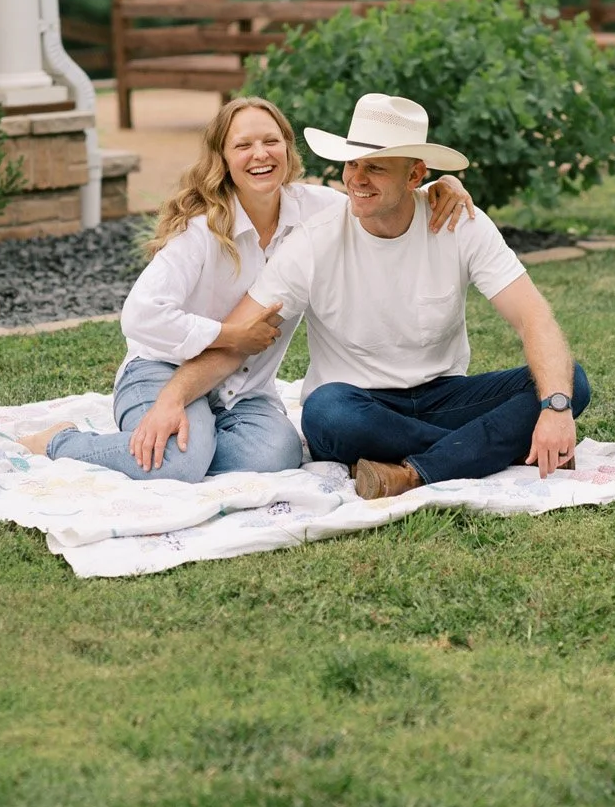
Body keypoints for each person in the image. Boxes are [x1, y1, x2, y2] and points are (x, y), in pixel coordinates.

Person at [144, 93, 590, 501]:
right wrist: (173, 395)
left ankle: (413, 473)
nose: (357, 178)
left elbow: (534, 318)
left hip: (444, 395)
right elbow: (242, 335)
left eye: (376, 167)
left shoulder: (460, 223)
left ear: (415, 174)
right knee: (326, 411)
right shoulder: (313, 240)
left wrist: (554, 408)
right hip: (358, 407)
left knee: (569, 383)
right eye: (351, 164)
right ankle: (489, 446)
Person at [21, 96, 475, 480]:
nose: (260, 154)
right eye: (243, 145)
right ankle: (62, 441)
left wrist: (442, 184)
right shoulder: (199, 231)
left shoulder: (320, 210)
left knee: (275, 458)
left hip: (246, 391)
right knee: (180, 463)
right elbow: (141, 315)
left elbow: (379, 195)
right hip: (162, 372)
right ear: (223, 158)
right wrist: (229, 336)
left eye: (270, 141)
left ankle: (195, 446)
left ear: (287, 149)